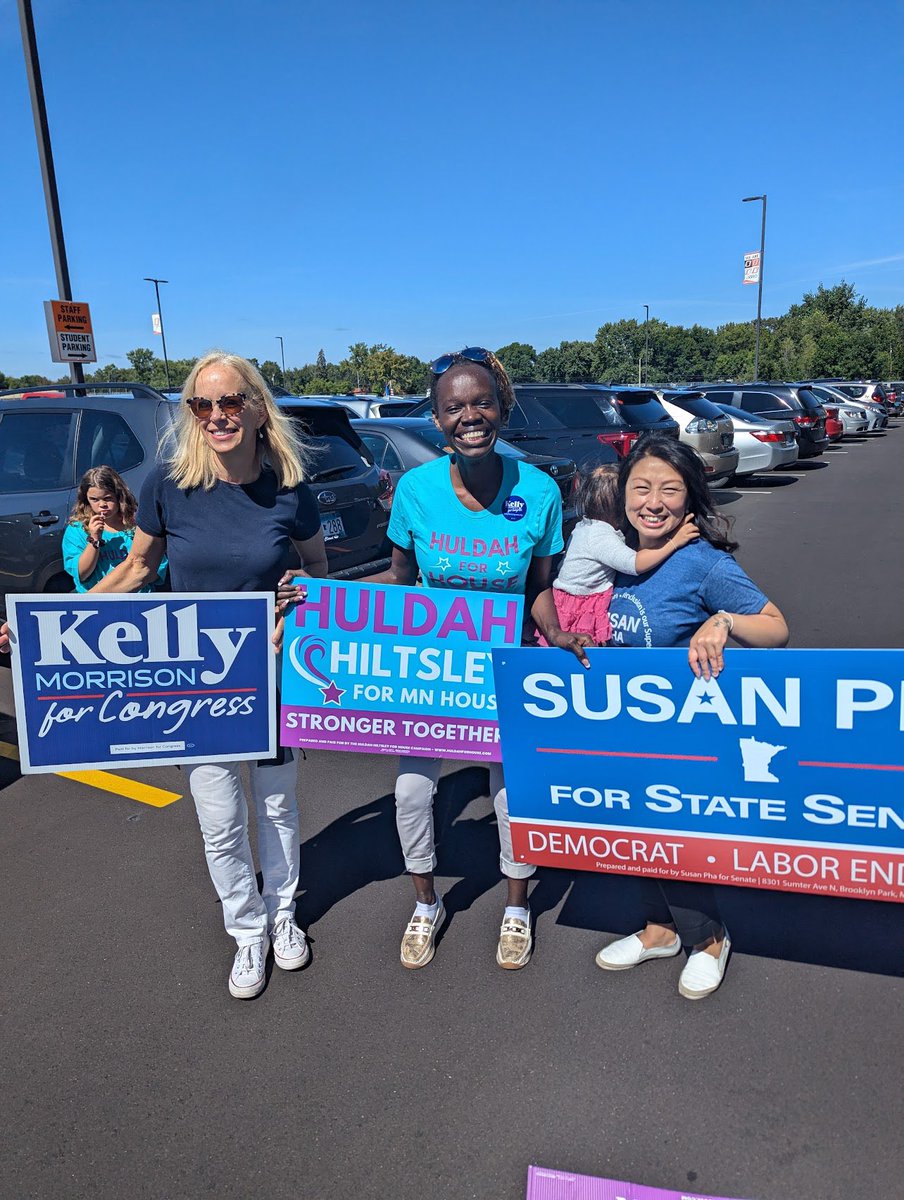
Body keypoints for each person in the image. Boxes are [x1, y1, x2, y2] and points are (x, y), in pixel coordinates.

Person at [90, 351, 328, 1000]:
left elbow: (317, 574)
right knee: (221, 820)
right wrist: (50, 626)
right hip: (199, 690)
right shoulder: (168, 485)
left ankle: (282, 917)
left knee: (277, 807)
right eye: (203, 405)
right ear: (190, 414)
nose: (217, 416)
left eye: (229, 403)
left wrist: (303, 594)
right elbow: (137, 570)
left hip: (273, 678)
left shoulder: (287, 487)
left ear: (256, 408)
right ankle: (246, 930)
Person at [349, 347, 591, 970]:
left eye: (482, 401)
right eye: (454, 407)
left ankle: (516, 905)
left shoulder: (536, 491)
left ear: (502, 407)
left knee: (509, 793)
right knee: (409, 791)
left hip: (504, 668)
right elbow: (400, 581)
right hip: (432, 672)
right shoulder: (415, 490)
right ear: (436, 419)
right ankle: (425, 903)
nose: (470, 415)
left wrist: (558, 632)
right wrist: (323, 600)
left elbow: (539, 587)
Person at [595, 434, 789, 999]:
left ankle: (708, 940)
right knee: (632, 833)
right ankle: (658, 931)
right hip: (619, 726)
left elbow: (776, 628)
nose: (653, 503)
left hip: (686, 736)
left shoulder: (700, 563)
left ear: (690, 499)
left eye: (670, 490)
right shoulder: (616, 555)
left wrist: (725, 621)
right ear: (623, 492)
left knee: (675, 836)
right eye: (642, 487)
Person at [541, 463, 699, 645]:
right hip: (580, 606)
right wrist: (673, 542)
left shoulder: (585, 526)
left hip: (568, 600)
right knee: (585, 651)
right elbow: (635, 564)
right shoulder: (600, 536)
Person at [62, 465, 167, 592]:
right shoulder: (77, 529)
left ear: (119, 496)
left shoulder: (139, 525)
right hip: (95, 601)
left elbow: (155, 570)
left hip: (136, 600)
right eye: (94, 499)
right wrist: (95, 540)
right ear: (86, 499)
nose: (102, 505)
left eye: (107, 498)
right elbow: (82, 574)